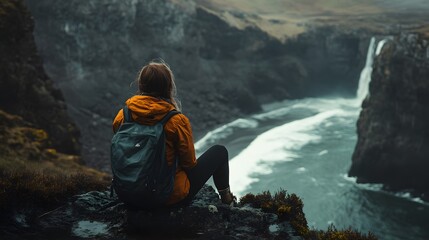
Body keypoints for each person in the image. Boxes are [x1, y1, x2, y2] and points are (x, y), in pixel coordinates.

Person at [112, 60, 235, 207]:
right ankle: (228, 200)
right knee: (219, 151)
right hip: (166, 198)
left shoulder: (123, 115)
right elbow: (189, 163)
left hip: (127, 194)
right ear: (168, 87)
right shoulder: (175, 120)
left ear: (141, 85)